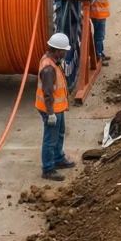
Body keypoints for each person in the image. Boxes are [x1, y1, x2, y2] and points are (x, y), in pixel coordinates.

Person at [37, 33, 77, 181]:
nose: (65, 53)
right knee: (50, 139)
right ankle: (47, 169)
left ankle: (59, 158)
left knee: (59, 134)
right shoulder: (49, 69)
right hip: (51, 109)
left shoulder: (52, 60)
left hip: (58, 108)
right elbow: (47, 93)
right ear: (58, 51)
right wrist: (51, 113)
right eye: (64, 51)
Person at [64, 0, 113, 65]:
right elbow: (91, 0)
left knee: (100, 36)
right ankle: (99, 57)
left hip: (100, 16)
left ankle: (101, 54)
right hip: (98, 16)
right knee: (99, 37)